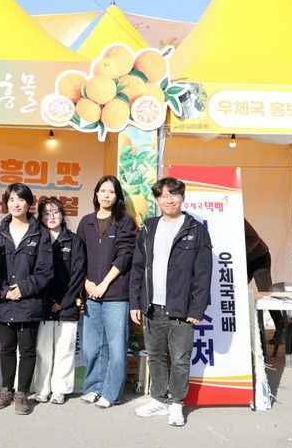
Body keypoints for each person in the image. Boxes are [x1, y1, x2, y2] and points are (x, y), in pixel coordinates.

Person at [129, 177, 212, 427]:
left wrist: (197, 308)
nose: (169, 200)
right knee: (155, 356)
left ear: (182, 197)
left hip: (182, 308)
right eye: (163, 195)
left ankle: (176, 403)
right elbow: (137, 268)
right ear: (157, 200)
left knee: (180, 359)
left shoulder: (195, 229)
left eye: (174, 194)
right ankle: (158, 399)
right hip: (152, 306)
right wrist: (136, 303)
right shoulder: (149, 227)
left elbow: (203, 273)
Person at [0, 183, 53, 415]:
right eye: (11, 200)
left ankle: (22, 394)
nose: (16, 204)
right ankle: (6, 390)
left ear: (29, 203)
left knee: (27, 350)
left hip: (29, 302)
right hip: (4, 301)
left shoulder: (41, 234)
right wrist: (4, 291)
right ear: (6, 203)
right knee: (6, 348)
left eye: (21, 199)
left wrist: (23, 289)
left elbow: (46, 270)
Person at [77, 175, 138, 409]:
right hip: (91, 293)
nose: (106, 195)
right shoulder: (86, 222)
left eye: (111, 192)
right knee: (92, 346)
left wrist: (104, 283)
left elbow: (125, 255)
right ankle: (93, 387)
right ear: (96, 193)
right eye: (103, 190)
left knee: (116, 347)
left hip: (116, 295)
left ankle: (111, 393)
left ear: (117, 196)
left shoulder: (125, 221)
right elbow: (79, 257)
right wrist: (86, 282)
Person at [33, 197, 86, 405]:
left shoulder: (74, 241)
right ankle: (42, 389)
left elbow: (79, 273)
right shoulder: (36, 239)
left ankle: (60, 389)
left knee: (66, 348)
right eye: (46, 213)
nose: (51, 216)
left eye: (55, 212)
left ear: (62, 214)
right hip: (42, 304)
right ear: (40, 217)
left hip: (67, 305)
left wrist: (65, 300)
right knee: (43, 348)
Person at [245, 219, 279, 342]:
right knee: (234, 290)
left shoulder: (236, 216)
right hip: (244, 259)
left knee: (266, 293)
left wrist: (240, 252)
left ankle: (281, 329)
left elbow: (254, 238)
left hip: (259, 256)